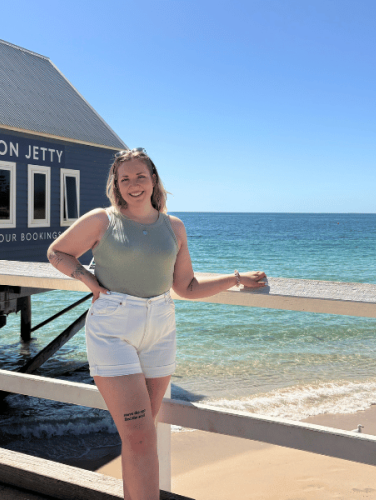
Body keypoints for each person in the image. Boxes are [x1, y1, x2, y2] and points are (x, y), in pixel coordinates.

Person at [47, 148, 266, 500]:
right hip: (113, 329)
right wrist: (88, 280)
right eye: (125, 179)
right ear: (116, 184)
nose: (133, 184)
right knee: (139, 436)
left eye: (140, 176)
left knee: (140, 436)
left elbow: (186, 287)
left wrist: (236, 278)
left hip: (161, 327)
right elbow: (57, 252)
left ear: (153, 179)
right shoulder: (103, 220)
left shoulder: (174, 227)